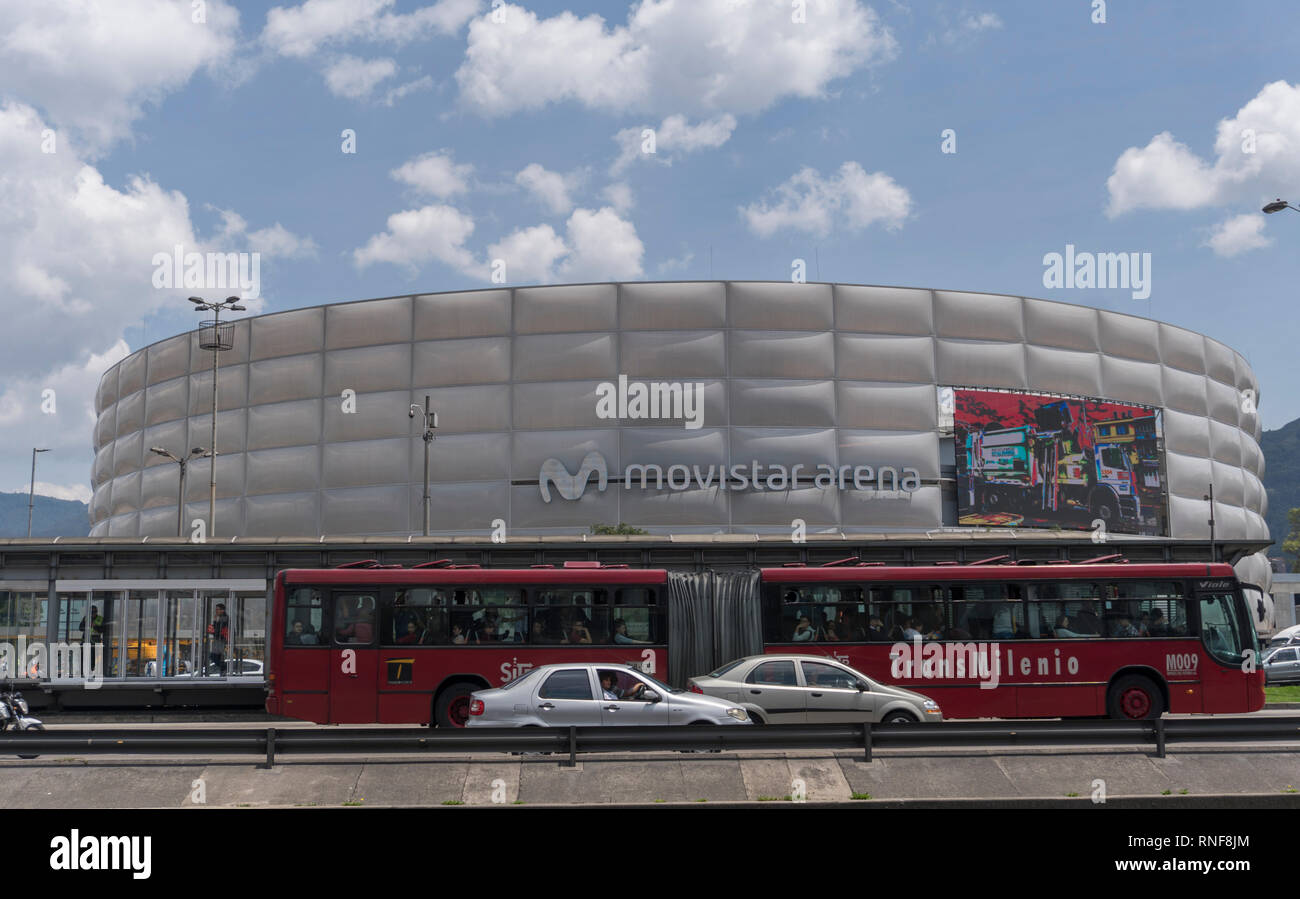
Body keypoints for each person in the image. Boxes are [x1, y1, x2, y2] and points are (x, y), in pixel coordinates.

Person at [207, 603, 230, 672]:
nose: (216, 611)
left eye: (217, 609)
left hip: (220, 640)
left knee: (213, 656)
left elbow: (218, 630)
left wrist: (214, 623)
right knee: (217, 657)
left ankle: (225, 668)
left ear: (222, 610)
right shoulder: (221, 618)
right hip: (220, 639)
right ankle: (224, 669)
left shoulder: (224, 618)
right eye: (216, 609)